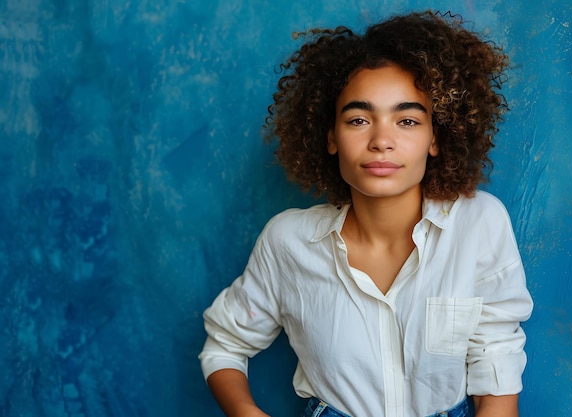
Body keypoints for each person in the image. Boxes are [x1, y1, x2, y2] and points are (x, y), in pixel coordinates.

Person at [199, 10, 533, 417]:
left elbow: (496, 357)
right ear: (331, 137)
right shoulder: (287, 241)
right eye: (359, 119)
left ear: (435, 138)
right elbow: (225, 344)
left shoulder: (480, 222)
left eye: (407, 120)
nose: (381, 141)